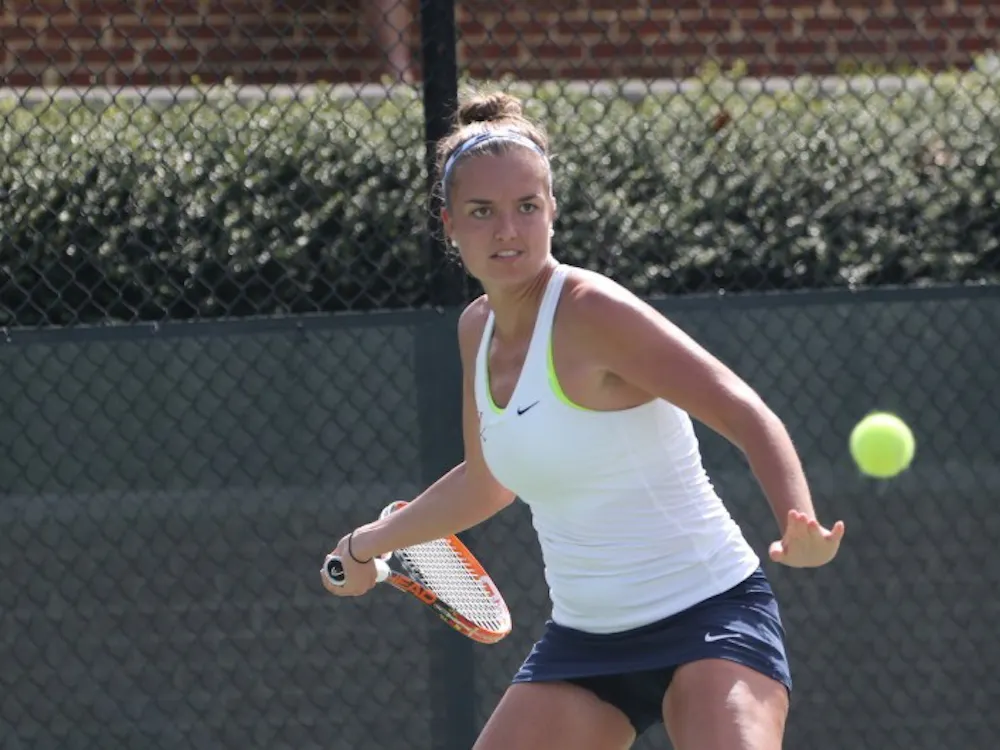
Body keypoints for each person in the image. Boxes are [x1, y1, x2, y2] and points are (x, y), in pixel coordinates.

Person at [321, 88, 846, 750]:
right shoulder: (475, 330)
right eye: (482, 213)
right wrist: (370, 543)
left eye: (526, 208)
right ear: (449, 224)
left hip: (711, 617)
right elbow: (487, 482)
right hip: (586, 643)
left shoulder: (593, 312)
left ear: (552, 211)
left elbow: (742, 408)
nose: (507, 231)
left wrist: (798, 521)